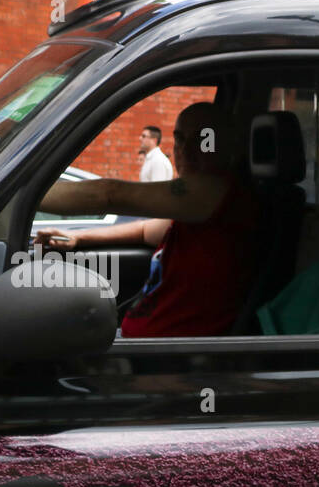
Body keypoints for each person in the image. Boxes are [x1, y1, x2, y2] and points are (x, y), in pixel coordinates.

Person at [36, 102, 259, 337]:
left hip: (171, 358)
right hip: (149, 345)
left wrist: (25, 195)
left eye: (205, 140)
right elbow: (145, 230)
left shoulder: (216, 190)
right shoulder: (200, 208)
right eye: (181, 139)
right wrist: (77, 237)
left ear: (229, 145)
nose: (186, 150)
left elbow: (109, 194)